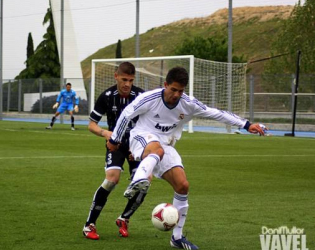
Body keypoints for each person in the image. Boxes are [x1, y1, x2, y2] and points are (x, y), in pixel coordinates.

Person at [107, 66, 266, 249]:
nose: (176, 95)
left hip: (165, 145)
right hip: (142, 138)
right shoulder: (150, 98)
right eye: (173, 89)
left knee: (183, 186)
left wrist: (246, 124)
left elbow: (217, 113)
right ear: (165, 85)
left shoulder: (188, 104)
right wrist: (115, 139)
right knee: (156, 150)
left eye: (180, 91)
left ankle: (177, 237)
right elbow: (126, 114)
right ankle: (138, 179)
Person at [82, 62, 145, 240]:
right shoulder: (107, 96)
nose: (127, 84)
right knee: (111, 180)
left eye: (131, 80)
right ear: (116, 76)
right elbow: (91, 125)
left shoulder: (141, 96)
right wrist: (105, 133)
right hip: (115, 145)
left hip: (136, 145)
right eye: (124, 79)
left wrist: (142, 147)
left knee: (143, 183)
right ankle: (89, 225)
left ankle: (124, 218)